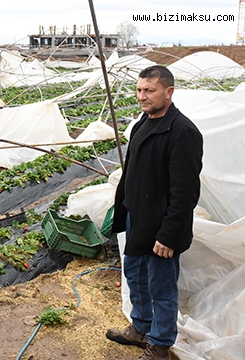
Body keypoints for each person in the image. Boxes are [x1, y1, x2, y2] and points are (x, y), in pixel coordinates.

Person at [107, 65, 203, 360]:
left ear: (168, 92)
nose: (142, 96)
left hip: (162, 224)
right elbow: (132, 174)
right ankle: (140, 327)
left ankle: (160, 345)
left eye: (149, 90)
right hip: (138, 217)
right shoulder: (141, 124)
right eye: (139, 90)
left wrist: (169, 234)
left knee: (161, 285)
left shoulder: (183, 132)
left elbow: (185, 193)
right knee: (135, 275)